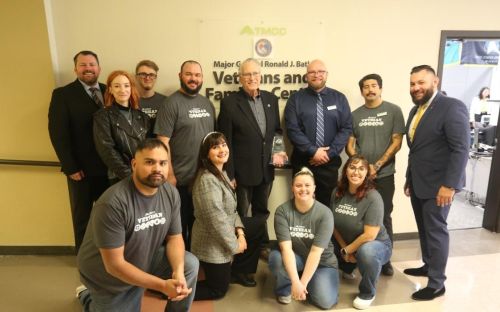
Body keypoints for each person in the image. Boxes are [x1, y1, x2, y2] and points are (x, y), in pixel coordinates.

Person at [76, 138, 199, 312]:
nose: (157, 168)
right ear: (134, 164)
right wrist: (163, 285)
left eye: (163, 163)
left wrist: (177, 273)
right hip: (106, 275)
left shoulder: (170, 193)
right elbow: (115, 265)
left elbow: (175, 238)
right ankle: (88, 296)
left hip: (142, 256)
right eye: (149, 162)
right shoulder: (113, 203)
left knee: (189, 264)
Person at [404, 65, 469, 301]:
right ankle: (428, 266)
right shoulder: (416, 110)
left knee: (436, 232)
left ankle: (437, 282)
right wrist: (409, 178)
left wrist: (449, 185)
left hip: (439, 186)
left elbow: (461, 149)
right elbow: (417, 151)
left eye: (421, 82)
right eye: (412, 84)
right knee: (424, 229)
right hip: (419, 182)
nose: (416, 87)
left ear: (435, 82)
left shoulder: (451, 107)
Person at [217, 58, 286, 254]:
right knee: (240, 213)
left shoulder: (271, 99)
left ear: (260, 75)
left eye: (255, 73)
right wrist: (228, 174)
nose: (252, 78)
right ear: (240, 78)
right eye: (247, 74)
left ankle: (261, 246)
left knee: (262, 211)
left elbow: (277, 131)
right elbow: (225, 141)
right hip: (241, 173)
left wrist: (279, 151)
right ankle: (241, 250)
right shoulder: (230, 103)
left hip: (266, 168)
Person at [191, 132, 266, 300]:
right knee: (218, 290)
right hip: (211, 242)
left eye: (224, 145)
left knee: (259, 225)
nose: (222, 149)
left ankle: (239, 271)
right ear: (206, 154)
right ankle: (174, 290)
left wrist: (240, 232)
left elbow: (232, 211)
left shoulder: (221, 173)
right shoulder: (207, 180)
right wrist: (235, 245)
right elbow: (216, 221)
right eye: (215, 147)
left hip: (225, 231)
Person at [48, 50, 109, 253]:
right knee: (82, 216)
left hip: (109, 169)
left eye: (92, 64)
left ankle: (108, 255)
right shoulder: (63, 95)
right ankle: (84, 258)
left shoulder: (109, 90)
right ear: (76, 69)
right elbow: (58, 133)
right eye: (83, 65)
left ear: (99, 68)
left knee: (109, 214)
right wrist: (70, 166)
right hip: (81, 171)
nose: (88, 68)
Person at [346, 73, 405, 276]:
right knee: (356, 216)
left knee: (384, 215)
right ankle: (355, 255)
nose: (370, 89)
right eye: (365, 87)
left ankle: (385, 259)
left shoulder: (393, 111)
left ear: (380, 88)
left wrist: (377, 165)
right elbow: (349, 144)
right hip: (359, 177)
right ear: (361, 91)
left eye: (374, 86)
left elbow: (397, 142)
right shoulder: (355, 115)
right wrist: (362, 167)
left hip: (385, 174)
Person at [154, 60, 216, 250]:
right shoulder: (171, 103)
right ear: (180, 76)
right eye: (188, 74)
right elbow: (162, 142)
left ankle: (197, 267)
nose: (193, 79)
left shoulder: (207, 104)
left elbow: (212, 141)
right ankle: (180, 270)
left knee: (200, 227)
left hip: (203, 179)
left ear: (202, 78)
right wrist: (169, 175)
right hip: (179, 180)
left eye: (197, 75)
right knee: (179, 228)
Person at [268, 167, 339, 310]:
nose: (303, 189)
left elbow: (315, 253)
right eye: (298, 185)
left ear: (314, 188)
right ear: (292, 188)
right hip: (296, 256)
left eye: (307, 185)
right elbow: (286, 249)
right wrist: (295, 281)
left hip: (322, 262)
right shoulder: (282, 211)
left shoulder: (325, 214)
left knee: (325, 302)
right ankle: (285, 287)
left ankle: (309, 278)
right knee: (276, 259)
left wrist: (303, 284)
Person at [285, 59, 352, 206]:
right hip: (303, 161)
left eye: (320, 71)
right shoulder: (295, 99)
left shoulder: (339, 98)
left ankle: (326, 230)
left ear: (326, 74)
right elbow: (292, 129)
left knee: (328, 205)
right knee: (302, 204)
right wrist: (313, 151)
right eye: (312, 72)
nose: (316, 75)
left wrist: (328, 154)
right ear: (307, 76)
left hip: (330, 162)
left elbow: (346, 128)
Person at [331, 155, 391, 310]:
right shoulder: (337, 192)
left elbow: (370, 235)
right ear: (345, 171)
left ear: (367, 173)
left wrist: (347, 250)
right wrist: (345, 249)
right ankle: (347, 268)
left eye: (361, 168)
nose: (356, 172)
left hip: (376, 245)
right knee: (324, 243)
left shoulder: (373, 197)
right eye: (352, 167)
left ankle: (367, 293)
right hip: (348, 243)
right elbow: (333, 226)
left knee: (367, 251)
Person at [93, 70, 150, 184]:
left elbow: (149, 146)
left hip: (144, 173)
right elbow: (107, 150)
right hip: (120, 177)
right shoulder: (102, 116)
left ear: (131, 88)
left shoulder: (142, 116)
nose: (122, 90)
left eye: (126, 85)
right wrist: (130, 176)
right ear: (110, 89)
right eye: (117, 86)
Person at [135, 60, 168, 131]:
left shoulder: (166, 102)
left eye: (151, 75)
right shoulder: (129, 101)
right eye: (143, 74)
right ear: (136, 77)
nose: (147, 78)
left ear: (155, 77)